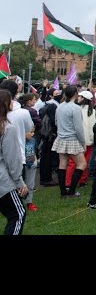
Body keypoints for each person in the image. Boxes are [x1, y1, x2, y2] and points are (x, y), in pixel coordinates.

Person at [0, 90, 28, 235]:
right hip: (2, 181)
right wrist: (19, 182)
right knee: (18, 215)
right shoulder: (7, 129)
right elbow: (12, 159)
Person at [53, 86, 86, 198]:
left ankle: (63, 192)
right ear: (76, 94)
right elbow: (78, 128)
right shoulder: (75, 108)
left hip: (61, 137)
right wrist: (83, 142)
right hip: (72, 138)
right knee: (82, 164)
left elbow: (56, 122)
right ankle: (71, 191)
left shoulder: (59, 107)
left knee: (63, 164)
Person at [65, 90, 95, 190]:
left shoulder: (77, 109)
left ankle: (68, 182)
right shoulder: (92, 111)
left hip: (78, 139)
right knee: (84, 163)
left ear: (83, 98)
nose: (78, 98)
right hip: (89, 140)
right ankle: (82, 180)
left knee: (73, 162)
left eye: (80, 96)